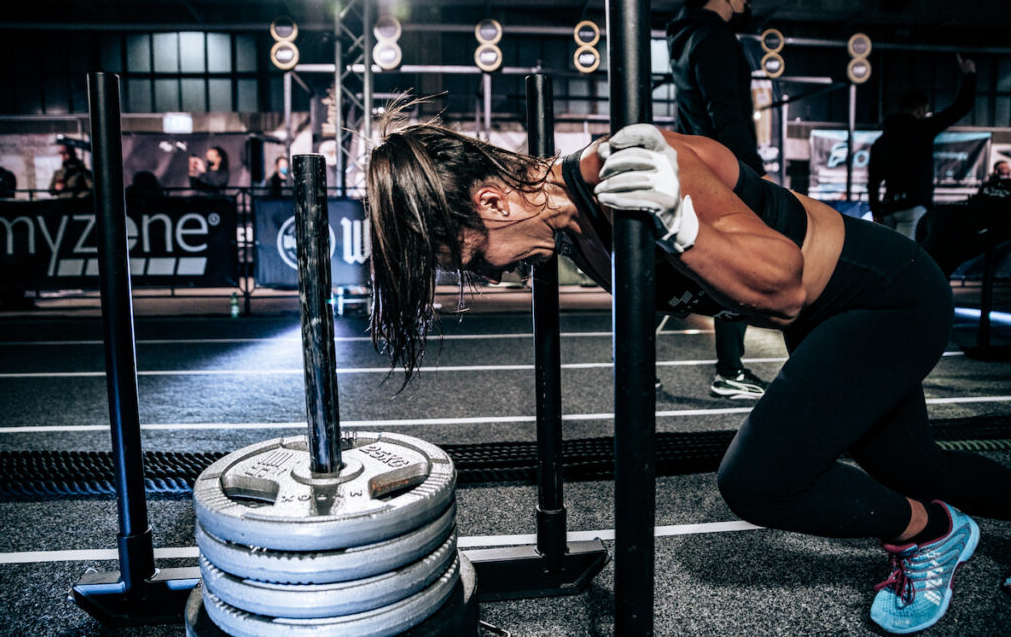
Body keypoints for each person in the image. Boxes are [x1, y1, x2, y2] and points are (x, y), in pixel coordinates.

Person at [365, 113, 1011, 634]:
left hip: (885, 293)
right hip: (833, 314)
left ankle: (930, 532)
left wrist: (680, 220)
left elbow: (781, 287)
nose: (488, 275)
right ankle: (935, 514)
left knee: (761, 479)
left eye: (474, 258)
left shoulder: (628, 166)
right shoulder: (578, 229)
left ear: (495, 200)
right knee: (914, 467)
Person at [666, 0, 769, 400]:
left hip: (694, 164)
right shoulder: (716, 39)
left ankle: (629, 359)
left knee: (682, 269)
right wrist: (751, 174)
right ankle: (730, 372)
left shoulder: (688, 37)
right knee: (738, 264)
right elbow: (726, 110)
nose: (749, 3)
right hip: (724, 169)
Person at [867, 55, 976, 241]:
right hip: (913, 206)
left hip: (888, 208)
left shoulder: (881, 141)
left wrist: (876, 212)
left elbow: (873, 181)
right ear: (920, 111)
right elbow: (962, 106)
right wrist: (970, 74)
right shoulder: (923, 128)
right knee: (907, 261)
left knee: (889, 259)